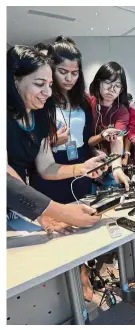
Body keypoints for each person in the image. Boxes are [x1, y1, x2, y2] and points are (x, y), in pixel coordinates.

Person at [7, 46, 105, 229]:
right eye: (39, 84)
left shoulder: (40, 114)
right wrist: (61, 213)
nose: (48, 92)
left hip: (17, 203)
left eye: (50, 85)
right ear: (15, 81)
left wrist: (83, 168)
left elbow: (46, 166)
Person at [30, 37, 95, 203]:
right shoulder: (42, 101)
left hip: (80, 165)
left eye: (74, 73)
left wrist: (95, 154)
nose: (69, 79)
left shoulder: (83, 102)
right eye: (63, 72)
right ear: (51, 70)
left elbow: (87, 138)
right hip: (52, 168)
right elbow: (31, 147)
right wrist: (52, 142)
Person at [88, 62, 131, 190]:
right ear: (98, 82)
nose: (111, 89)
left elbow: (117, 139)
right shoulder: (87, 103)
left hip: (109, 162)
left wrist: (117, 167)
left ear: (121, 89)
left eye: (117, 86)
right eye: (107, 83)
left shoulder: (121, 111)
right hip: (87, 163)